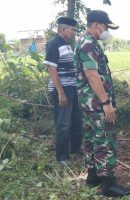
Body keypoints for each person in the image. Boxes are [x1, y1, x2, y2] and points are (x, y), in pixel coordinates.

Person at [74, 10, 130, 197]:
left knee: (92, 139)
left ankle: (92, 177)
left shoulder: (86, 42)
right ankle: (109, 185)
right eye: (105, 26)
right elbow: (92, 75)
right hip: (97, 103)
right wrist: (106, 102)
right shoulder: (88, 44)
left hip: (89, 103)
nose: (106, 30)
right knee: (106, 141)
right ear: (96, 24)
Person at [44, 17, 82, 164]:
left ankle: (75, 149)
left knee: (76, 121)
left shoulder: (67, 44)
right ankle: (62, 157)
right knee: (63, 123)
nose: (74, 33)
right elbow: (52, 69)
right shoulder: (54, 44)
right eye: (72, 30)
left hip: (72, 88)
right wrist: (61, 92)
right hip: (62, 89)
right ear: (62, 29)